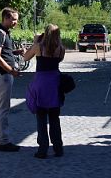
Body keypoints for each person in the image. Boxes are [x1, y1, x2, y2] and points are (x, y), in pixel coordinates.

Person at [23, 24, 66, 158]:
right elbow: (59, 59)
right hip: (55, 83)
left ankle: (43, 149)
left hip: (41, 83)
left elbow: (25, 57)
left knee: (41, 117)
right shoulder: (61, 49)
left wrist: (36, 41)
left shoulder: (39, 46)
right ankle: (58, 148)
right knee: (54, 117)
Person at [0, 7, 23, 152]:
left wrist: (15, 52)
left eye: (16, 19)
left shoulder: (3, 33)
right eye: (13, 19)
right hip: (3, 75)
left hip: (0, 75)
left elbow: (2, 51)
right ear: (6, 18)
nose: (16, 22)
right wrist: (11, 70)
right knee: (3, 109)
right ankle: (4, 141)